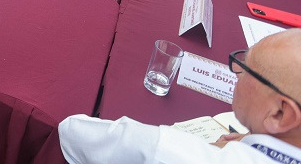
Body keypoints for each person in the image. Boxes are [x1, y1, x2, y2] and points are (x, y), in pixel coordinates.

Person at [59, 28, 301, 164]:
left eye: (247, 68)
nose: (236, 73)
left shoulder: (167, 153)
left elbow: (72, 132)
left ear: (281, 114)